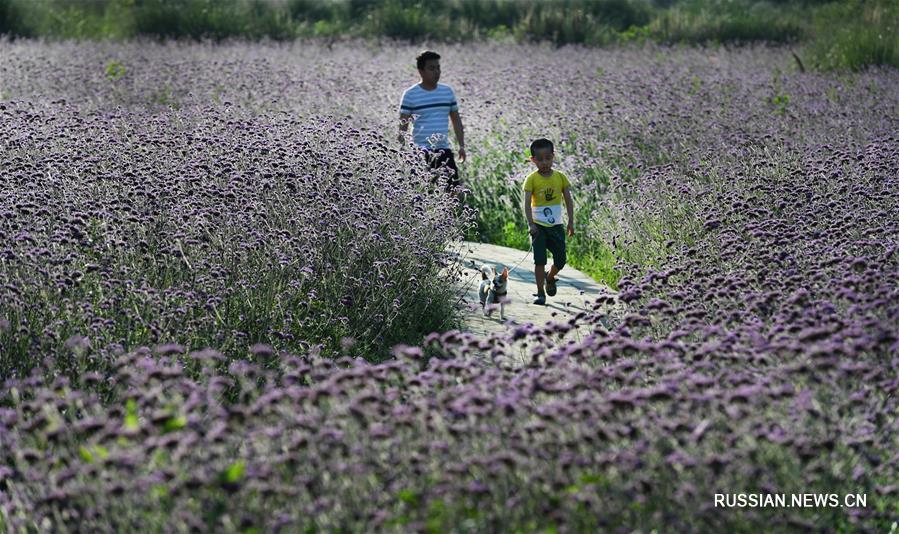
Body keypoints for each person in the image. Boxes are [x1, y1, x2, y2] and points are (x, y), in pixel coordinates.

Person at [398, 50, 466, 192]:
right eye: (432, 68)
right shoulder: (410, 95)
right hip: (420, 152)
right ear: (421, 71)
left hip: (444, 151)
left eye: (438, 68)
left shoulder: (447, 92)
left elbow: (456, 120)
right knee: (424, 193)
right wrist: (403, 151)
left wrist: (461, 146)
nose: (436, 72)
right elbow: (403, 126)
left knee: (453, 192)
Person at [522, 138, 575, 305]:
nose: (544, 162)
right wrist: (531, 224)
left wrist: (571, 222)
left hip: (557, 226)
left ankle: (550, 277)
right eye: (540, 159)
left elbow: (568, 200)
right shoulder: (531, 179)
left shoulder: (560, 177)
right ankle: (540, 294)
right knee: (540, 261)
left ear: (553, 156)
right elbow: (526, 204)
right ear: (533, 160)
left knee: (560, 259)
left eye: (548, 158)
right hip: (538, 227)